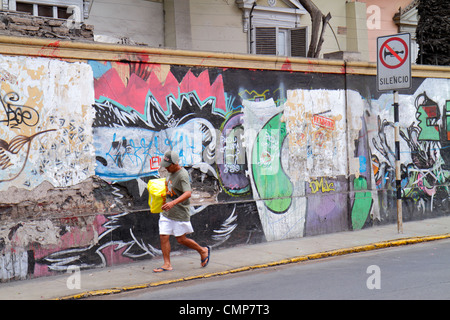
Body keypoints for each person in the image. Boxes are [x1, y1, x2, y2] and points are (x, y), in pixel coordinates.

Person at [153, 150, 210, 272]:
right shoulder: (170, 172)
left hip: (179, 212)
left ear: (175, 164)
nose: (166, 168)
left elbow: (188, 193)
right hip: (166, 212)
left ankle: (203, 250)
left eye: (168, 166)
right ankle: (167, 264)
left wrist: (173, 203)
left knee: (181, 239)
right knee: (163, 236)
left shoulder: (182, 175)